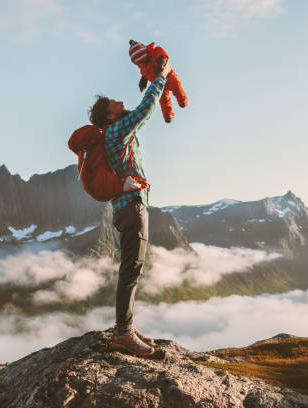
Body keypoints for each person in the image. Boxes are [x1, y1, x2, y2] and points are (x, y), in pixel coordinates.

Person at [88, 60, 172, 357]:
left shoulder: (114, 130)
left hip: (131, 206)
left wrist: (148, 81)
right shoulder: (114, 131)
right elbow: (144, 112)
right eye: (114, 102)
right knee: (131, 269)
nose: (119, 100)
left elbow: (136, 112)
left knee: (132, 268)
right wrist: (160, 79)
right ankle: (123, 333)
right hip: (132, 208)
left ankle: (126, 326)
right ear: (109, 115)